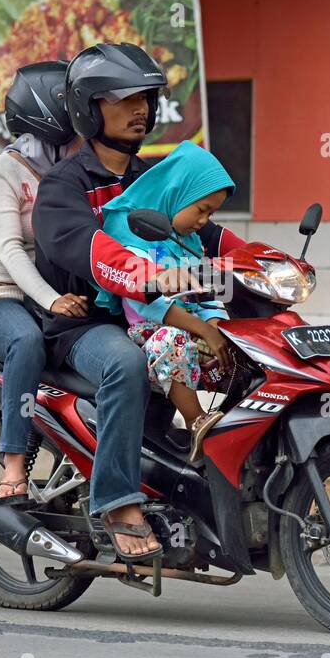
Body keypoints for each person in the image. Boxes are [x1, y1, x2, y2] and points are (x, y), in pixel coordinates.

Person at [33, 43, 246, 560]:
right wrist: (148, 277)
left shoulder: (148, 178)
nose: (141, 111)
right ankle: (116, 501)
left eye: (147, 99)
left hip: (151, 313)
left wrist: (263, 265)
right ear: (88, 106)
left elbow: (202, 233)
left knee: (243, 346)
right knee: (126, 363)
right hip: (85, 325)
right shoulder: (65, 185)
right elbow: (92, 249)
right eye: (123, 99)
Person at [0, 61, 88, 499]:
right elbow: (11, 251)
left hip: (48, 298)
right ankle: (12, 466)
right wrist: (52, 301)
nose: (77, 144)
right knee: (26, 342)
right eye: (69, 136)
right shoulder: (1, 173)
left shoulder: (66, 175)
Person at [94, 140, 237, 463]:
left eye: (211, 214)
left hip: (191, 328)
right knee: (170, 341)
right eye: (201, 210)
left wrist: (215, 323)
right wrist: (203, 329)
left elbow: (206, 291)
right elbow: (148, 304)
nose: (204, 221)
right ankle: (196, 420)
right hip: (149, 331)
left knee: (239, 345)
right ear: (177, 192)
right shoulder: (131, 231)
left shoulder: (189, 241)